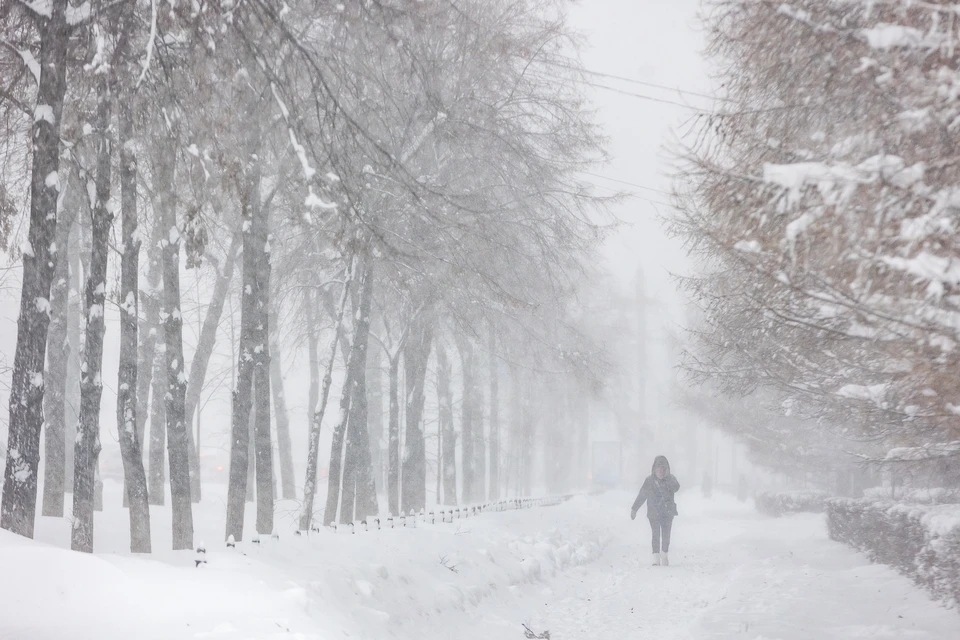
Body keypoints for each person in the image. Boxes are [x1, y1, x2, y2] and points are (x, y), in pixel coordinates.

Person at [630, 455, 680, 566]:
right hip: (654, 513)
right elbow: (642, 495)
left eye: (663, 469)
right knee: (655, 534)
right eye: (658, 468)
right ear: (654, 469)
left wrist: (670, 481)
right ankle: (656, 558)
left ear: (667, 469)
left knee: (666, 535)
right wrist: (634, 509)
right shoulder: (649, 481)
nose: (661, 471)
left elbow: (677, 487)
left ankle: (664, 555)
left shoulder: (671, 479)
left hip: (668, 513)